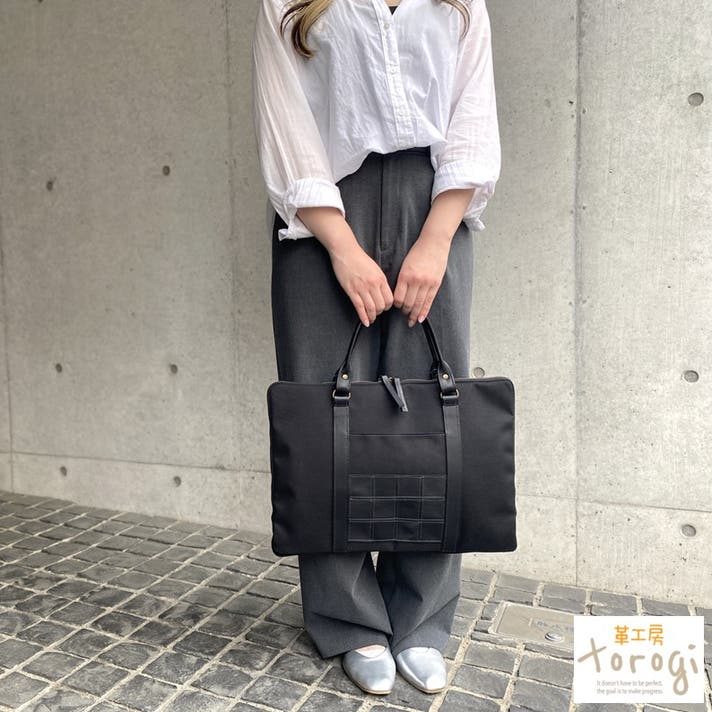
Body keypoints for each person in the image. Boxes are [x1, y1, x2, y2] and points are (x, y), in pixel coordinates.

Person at [251, 0, 501, 696]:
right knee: (321, 416)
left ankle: (422, 618)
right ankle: (347, 618)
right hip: (320, 208)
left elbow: (472, 115)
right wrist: (340, 245)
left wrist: (437, 238)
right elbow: (286, 124)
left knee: (431, 417)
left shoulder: (460, 3)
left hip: (436, 200)